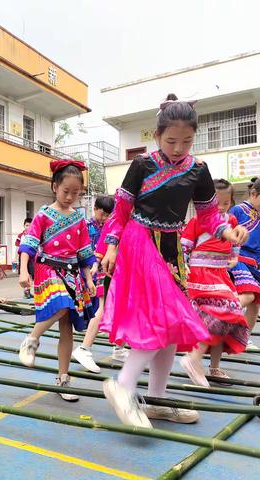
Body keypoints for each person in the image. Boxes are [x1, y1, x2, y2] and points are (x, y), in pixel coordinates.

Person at [100, 94, 248, 428]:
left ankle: (156, 398)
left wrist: (227, 233)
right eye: (171, 140)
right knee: (161, 318)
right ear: (157, 136)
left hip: (172, 250)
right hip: (140, 243)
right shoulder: (142, 165)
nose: (178, 147)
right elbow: (121, 211)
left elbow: (210, 215)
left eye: (186, 141)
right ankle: (122, 386)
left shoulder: (198, 170)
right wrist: (110, 247)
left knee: (173, 326)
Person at [18, 159, 96, 402]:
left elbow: (84, 254)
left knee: (67, 327)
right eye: (66, 191)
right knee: (62, 305)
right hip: (48, 269)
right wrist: (23, 270)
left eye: (76, 193)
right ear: (54, 187)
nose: (71, 196)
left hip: (73, 274)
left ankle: (64, 379)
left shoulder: (80, 220)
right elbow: (29, 244)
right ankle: (31, 339)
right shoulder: (43, 215)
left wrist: (89, 279)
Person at [180, 179, 249, 386]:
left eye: (226, 203)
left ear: (231, 202)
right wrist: (184, 270)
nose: (220, 207)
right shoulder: (198, 220)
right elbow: (184, 246)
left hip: (221, 274)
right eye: (216, 203)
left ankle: (214, 367)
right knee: (223, 312)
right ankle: (193, 359)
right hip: (201, 274)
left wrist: (234, 257)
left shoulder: (232, 222)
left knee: (226, 319)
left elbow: (235, 245)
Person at [73, 195, 123, 373]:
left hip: (118, 270)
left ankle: (118, 347)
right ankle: (85, 348)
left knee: (119, 308)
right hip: (105, 269)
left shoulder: (120, 219)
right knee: (100, 308)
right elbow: (101, 245)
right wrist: (93, 264)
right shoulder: (116, 220)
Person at [229, 177, 260, 352]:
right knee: (247, 295)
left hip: (256, 263)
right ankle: (218, 316)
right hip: (239, 259)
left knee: (255, 307)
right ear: (254, 194)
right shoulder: (239, 210)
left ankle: (243, 338)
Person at [15, 218, 33, 298]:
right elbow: (17, 247)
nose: (28, 227)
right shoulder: (20, 236)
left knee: (31, 275)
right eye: (26, 225)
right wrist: (15, 258)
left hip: (32, 257)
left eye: (30, 225)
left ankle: (29, 290)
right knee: (25, 274)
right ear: (24, 226)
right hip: (22, 257)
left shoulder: (34, 235)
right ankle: (26, 291)